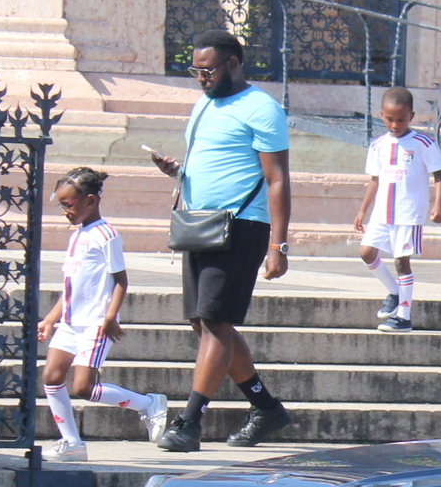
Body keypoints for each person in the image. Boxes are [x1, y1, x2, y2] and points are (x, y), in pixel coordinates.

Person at [145, 31, 295, 452]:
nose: (200, 77)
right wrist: (177, 172)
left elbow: (278, 178)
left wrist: (278, 246)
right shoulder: (205, 104)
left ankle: (189, 422)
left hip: (241, 226)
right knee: (207, 322)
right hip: (199, 224)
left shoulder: (262, 109)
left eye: (207, 69)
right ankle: (266, 409)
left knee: (213, 321)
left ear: (233, 63)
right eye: (195, 70)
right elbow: (215, 161)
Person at [36, 168, 167, 460]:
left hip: (96, 323)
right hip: (70, 323)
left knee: (83, 386)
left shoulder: (106, 235)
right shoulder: (77, 236)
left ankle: (147, 404)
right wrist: (50, 318)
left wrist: (110, 317)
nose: (64, 211)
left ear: (91, 201)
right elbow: (71, 287)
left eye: (68, 205)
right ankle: (72, 443)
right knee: (51, 376)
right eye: (61, 205)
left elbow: (121, 280)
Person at [351, 87, 441, 334]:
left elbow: (439, 174)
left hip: (408, 213)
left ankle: (403, 317)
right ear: (381, 115)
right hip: (383, 212)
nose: (395, 125)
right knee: (366, 251)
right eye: (390, 119)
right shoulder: (378, 145)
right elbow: (375, 179)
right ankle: (393, 291)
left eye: (401, 119)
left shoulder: (422, 143)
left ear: (411, 116)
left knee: (401, 261)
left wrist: (437, 204)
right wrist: (363, 210)